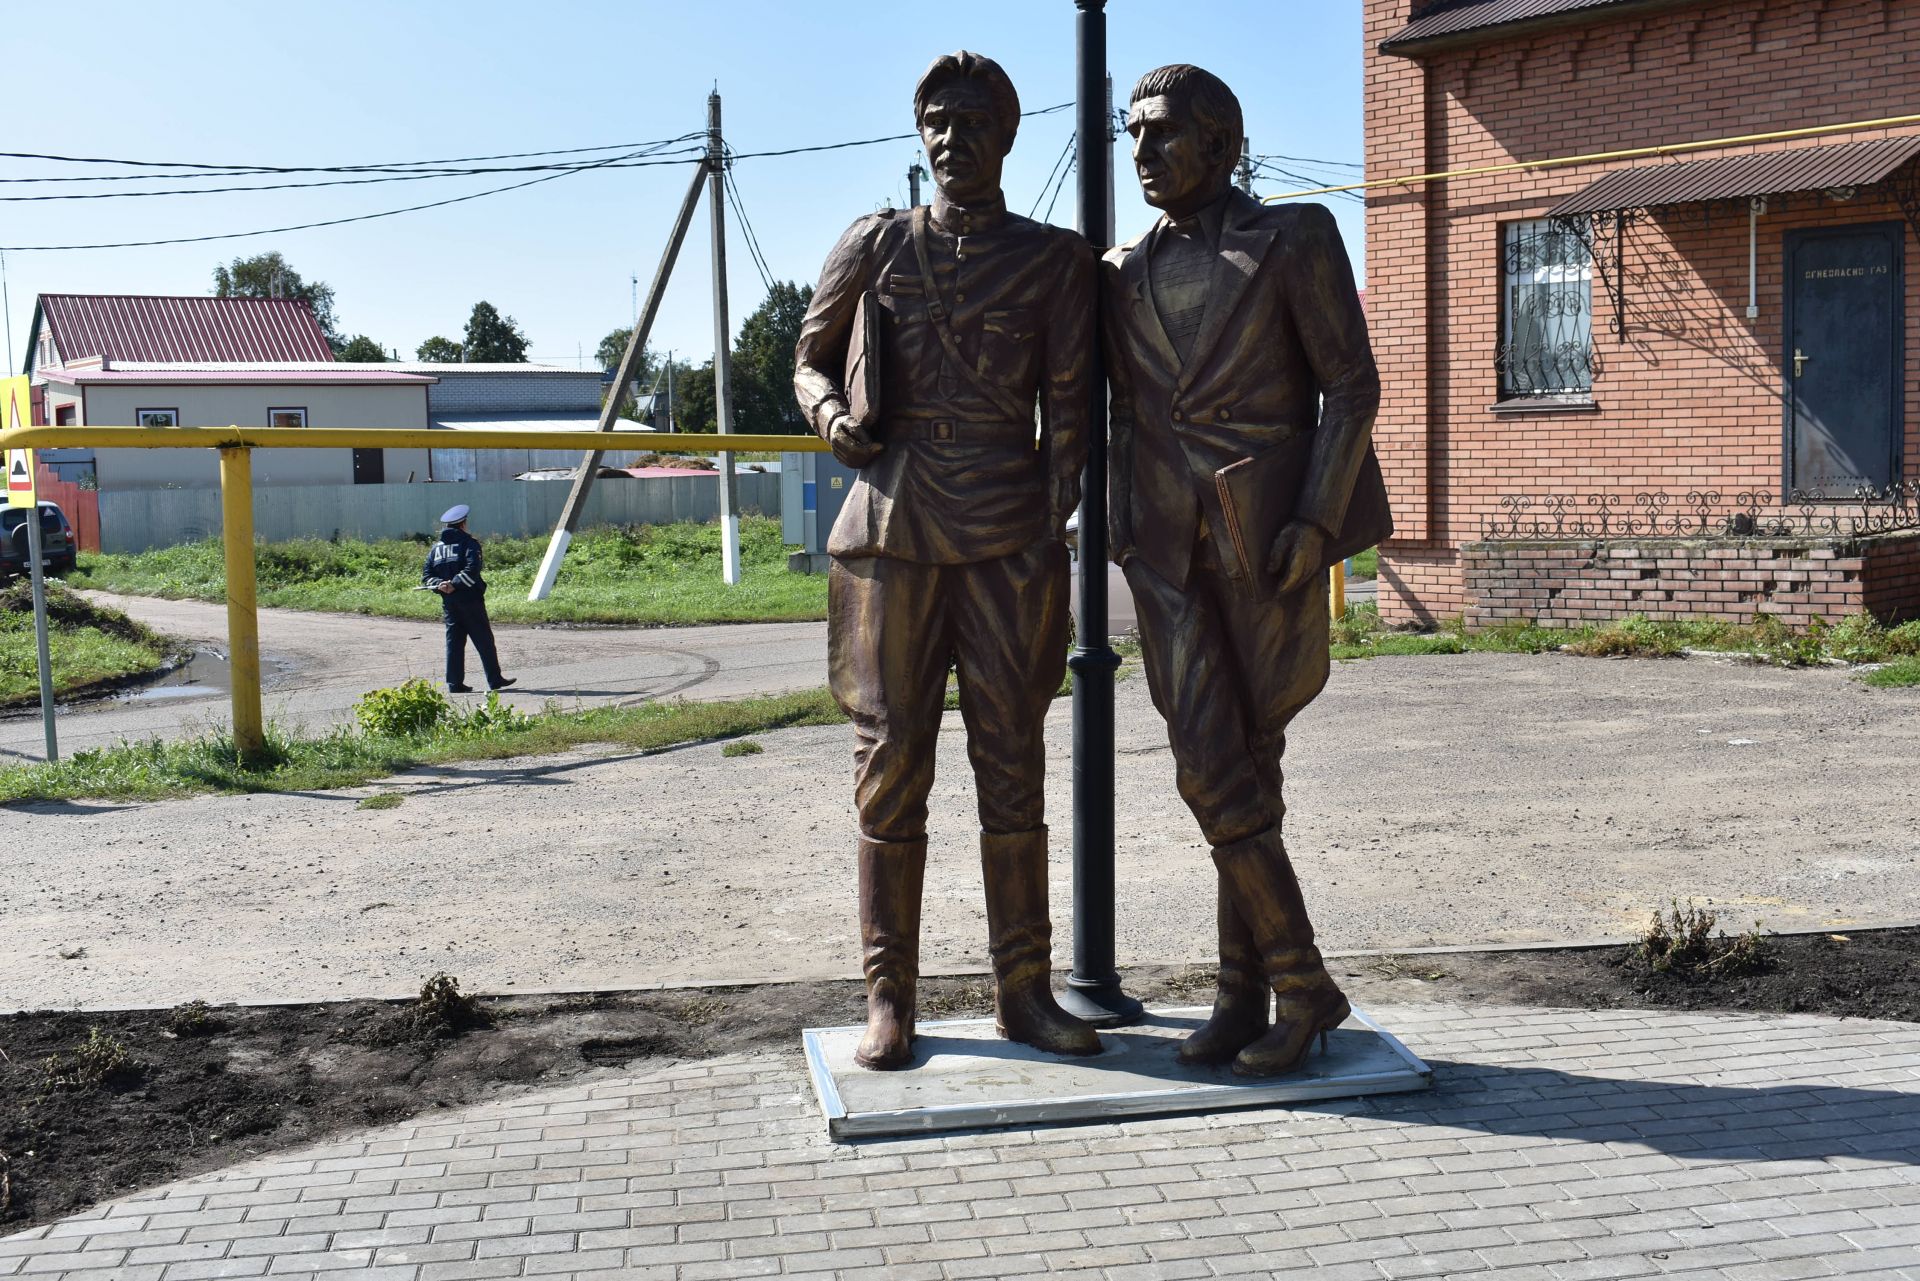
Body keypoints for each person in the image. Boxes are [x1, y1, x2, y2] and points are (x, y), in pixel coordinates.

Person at [792, 50, 1100, 1070]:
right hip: (892, 527)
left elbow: (1071, 408)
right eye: (935, 120)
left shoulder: (1055, 262)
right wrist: (833, 414)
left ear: (1008, 136)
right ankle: (892, 998)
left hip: (1009, 534)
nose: (951, 139)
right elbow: (809, 356)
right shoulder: (875, 243)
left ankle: (1026, 991)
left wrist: (1051, 516)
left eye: (972, 122)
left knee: (1013, 768)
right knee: (890, 770)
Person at [1101, 65, 1390, 1076]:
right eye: (1131, 133)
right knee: (1211, 767)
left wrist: (1317, 521)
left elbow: (1351, 388)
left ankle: (1244, 997)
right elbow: (1124, 411)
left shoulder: (1294, 237)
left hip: (1266, 536)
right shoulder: (1118, 267)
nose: (1141, 150)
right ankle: (1301, 986)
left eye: (1165, 133)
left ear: (1223, 147)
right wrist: (1120, 528)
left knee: (1245, 770)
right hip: (1165, 550)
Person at [421, 504, 515, 694]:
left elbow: (426, 575)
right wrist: (454, 584)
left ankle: (455, 684)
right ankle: (495, 680)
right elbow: (472, 570)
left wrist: (440, 584)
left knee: (454, 643)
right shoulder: (469, 544)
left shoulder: (435, 549)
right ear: (463, 524)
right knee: (484, 641)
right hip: (470, 601)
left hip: (449, 604)